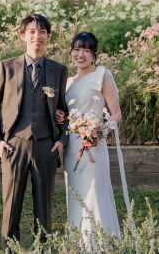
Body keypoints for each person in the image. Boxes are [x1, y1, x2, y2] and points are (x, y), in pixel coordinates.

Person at [0, 13, 70, 253]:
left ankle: (41, 250)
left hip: (46, 146)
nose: (37, 36)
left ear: (48, 36)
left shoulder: (58, 70)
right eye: (32, 32)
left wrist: (62, 140)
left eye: (42, 32)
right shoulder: (7, 67)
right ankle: (9, 251)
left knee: (44, 210)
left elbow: (64, 109)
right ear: (23, 35)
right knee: (11, 207)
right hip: (14, 145)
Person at [56, 31, 131, 241]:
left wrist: (98, 134)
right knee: (76, 196)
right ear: (71, 52)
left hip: (93, 149)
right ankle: (78, 243)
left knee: (94, 196)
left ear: (94, 54)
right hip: (71, 149)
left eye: (86, 50)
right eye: (77, 49)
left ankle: (100, 243)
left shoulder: (102, 75)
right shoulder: (67, 82)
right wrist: (59, 116)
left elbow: (116, 114)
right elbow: (66, 114)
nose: (81, 54)